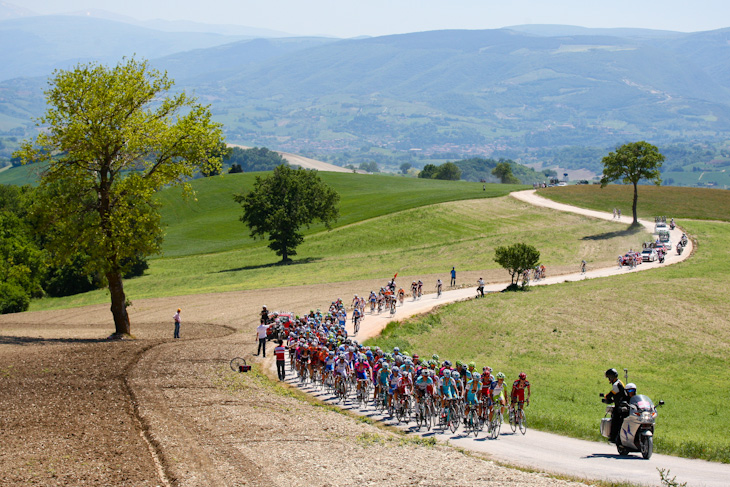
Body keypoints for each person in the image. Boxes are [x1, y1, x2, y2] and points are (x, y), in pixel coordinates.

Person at [602, 368, 627, 444]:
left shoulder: (616, 384)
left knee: (615, 420)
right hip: (622, 404)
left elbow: (612, 394)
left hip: (619, 406)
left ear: (611, 377)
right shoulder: (620, 382)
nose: (609, 380)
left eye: (609, 378)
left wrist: (606, 397)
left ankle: (613, 437)